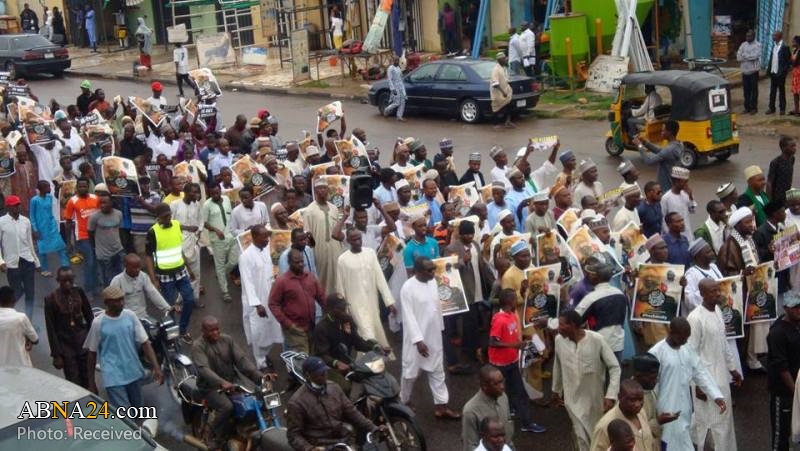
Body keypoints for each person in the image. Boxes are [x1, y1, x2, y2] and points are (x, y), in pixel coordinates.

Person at [648, 317, 726, 450]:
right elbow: (649, 386)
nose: (685, 341)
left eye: (687, 338)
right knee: (669, 442)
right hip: (665, 409)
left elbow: (700, 372)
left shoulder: (687, 349)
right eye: (682, 337)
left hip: (684, 409)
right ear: (671, 332)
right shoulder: (656, 353)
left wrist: (716, 395)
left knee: (684, 440)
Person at [400, 257, 461, 418]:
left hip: (434, 336)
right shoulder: (408, 288)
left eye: (433, 269)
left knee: (437, 371)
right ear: (418, 271)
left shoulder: (433, 282)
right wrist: (418, 341)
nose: (433, 272)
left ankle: (441, 406)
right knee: (410, 373)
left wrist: (441, 328)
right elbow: (408, 316)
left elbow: (436, 309)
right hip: (416, 341)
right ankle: (404, 400)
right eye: (429, 270)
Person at [552, 309, 621, 451]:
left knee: (596, 434)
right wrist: (556, 391)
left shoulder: (596, 339)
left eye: (561, 324)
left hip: (594, 399)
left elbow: (615, 367)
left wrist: (611, 395)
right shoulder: (559, 341)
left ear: (573, 325)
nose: (558, 328)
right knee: (580, 435)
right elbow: (557, 366)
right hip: (571, 399)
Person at [192, 316, 264, 450]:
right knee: (226, 407)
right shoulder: (198, 346)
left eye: (217, 329)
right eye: (211, 330)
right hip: (210, 387)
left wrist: (261, 378)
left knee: (255, 401)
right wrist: (221, 382)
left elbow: (242, 361)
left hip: (232, 382)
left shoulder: (227, 340)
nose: (215, 333)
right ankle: (215, 437)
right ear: (203, 331)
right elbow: (204, 369)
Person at [687, 278, 742, 450]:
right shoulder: (695, 318)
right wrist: (697, 385)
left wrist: (733, 370)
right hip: (705, 381)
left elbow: (724, 343)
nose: (717, 293)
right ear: (702, 294)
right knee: (708, 423)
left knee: (724, 420)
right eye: (712, 291)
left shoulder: (718, 310)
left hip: (722, 378)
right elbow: (691, 353)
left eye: (718, 290)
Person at [85, 286, 163, 408]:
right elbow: (92, 352)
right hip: (113, 377)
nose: (121, 303)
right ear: (107, 303)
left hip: (133, 371)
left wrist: (156, 367)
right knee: (125, 415)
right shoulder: (98, 323)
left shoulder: (130, 316)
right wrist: (91, 381)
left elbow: (145, 343)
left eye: (122, 299)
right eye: (117, 301)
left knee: (138, 408)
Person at [286, 356, 381, 450]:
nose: (324, 374)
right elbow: (293, 435)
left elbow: (352, 412)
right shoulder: (296, 403)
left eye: (325, 371)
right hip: (321, 446)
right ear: (308, 375)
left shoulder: (334, 388)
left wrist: (373, 428)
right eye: (320, 373)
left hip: (343, 441)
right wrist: (309, 448)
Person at [488, 288, 546, 433]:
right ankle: (499, 424)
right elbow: (493, 342)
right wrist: (514, 345)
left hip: (512, 361)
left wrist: (523, 342)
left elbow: (513, 334)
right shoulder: (500, 319)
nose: (517, 301)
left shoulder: (513, 315)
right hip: (499, 365)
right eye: (515, 299)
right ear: (509, 301)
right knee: (500, 393)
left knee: (518, 392)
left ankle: (521, 418)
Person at [336, 228, 396, 349]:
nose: (357, 242)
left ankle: (369, 364)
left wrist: (389, 302)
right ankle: (373, 362)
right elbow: (340, 287)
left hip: (371, 301)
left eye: (359, 238)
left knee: (373, 329)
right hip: (354, 304)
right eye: (354, 239)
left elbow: (380, 279)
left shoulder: (370, 253)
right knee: (366, 332)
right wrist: (343, 312)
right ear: (348, 241)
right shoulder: (342, 260)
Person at [145, 203, 196, 343]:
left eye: (169, 215)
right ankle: (172, 334)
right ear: (157, 218)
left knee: (190, 300)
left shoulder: (176, 225)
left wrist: (189, 268)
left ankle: (183, 330)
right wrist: (153, 278)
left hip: (181, 271)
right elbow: (148, 256)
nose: (168, 219)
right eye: (164, 217)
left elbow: (178, 249)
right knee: (169, 307)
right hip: (165, 275)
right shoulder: (152, 232)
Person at [239, 225, 283, 369]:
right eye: (264, 237)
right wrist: (257, 304)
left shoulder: (265, 250)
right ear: (254, 237)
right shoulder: (246, 257)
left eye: (268, 236)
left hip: (269, 295)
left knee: (271, 328)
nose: (267, 240)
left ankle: (266, 353)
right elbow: (247, 282)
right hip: (256, 301)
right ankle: (260, 363)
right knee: (258, 331)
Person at [269, 248, 327, 353]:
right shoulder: (282, 281)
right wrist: (288, 323)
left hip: (311, 326)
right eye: (297, 262)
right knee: (302, 360)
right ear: (289, 263)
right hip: (295, 329)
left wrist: (330, 312)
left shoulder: (310, 277)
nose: (300, 264)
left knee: (312, 357)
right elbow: (273, 304)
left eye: (302, 261)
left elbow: (321, 296)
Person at [44, 266, 93, 387]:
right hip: (65, 346)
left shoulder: (79, 292)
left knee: (88, 377)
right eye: (64, 281)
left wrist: (94, 341)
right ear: (58, 281)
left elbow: (90, 317)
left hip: (83, 342)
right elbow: (51, 329)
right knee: (74, 380)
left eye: (70, 280)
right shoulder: (50, 299)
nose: (67, 283)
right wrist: (56, 355)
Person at [574, 257, 628, 362]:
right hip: (618, 343)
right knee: (616, 375)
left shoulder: (592, 297)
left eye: (591, 274)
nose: (588, 276)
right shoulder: (619, 293)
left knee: (599, 377)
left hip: (600, 344)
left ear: (595, 277)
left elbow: (574, 318)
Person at [766, 291, 800, 451]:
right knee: (781, 434)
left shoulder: (797, 325)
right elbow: (781, 367)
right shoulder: (777, 332)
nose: (798, 310)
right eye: (795, 308)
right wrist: (796, 393)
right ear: (786, 307)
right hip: (784, 393)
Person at [0, 195, 40, 320]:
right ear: (8, 207)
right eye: (14, 206)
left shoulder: (25, 221)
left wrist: (36, 262)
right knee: (16, 292)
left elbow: (30, 243)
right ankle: (11, 316)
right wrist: (1, 261)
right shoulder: (1, 222)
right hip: (12, 263)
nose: (17, 208)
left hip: (27, 261)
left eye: (18, 205)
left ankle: (28, 319)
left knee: (30, 292)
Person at [589, 379, 656, 451]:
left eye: (640, 399)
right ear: (619, 397)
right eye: (632, 400)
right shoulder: (605, 425)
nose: (637, 404)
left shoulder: (641, 412)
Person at [301, 179, 343, 294]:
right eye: (320, 188)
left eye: (325, 188)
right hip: (318, 249)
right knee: (321, 277)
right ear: (315, 191)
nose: (323, 191)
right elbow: (307, 233)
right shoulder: (309, 210)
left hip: (335, 248)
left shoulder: (334, 208)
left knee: (337, 275)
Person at [462, 366, 516, 451]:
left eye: (502, 381)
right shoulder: (470, 411)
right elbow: (470, 445)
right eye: (496, 384)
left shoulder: (503, 397)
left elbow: (508, 429)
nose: (502, 387)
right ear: (484, 386)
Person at [64, 178, 100, 295]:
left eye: (85, 186)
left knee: (96, 262)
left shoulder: (95, 199)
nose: (82, 189)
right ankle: (88, 289)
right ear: (77, 187)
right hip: (83, 236)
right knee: (89, 263)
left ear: (88, 186)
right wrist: (69, 242)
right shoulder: (72, 201)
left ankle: (95, 286)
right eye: (80, 186)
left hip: (97, 235)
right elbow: (68, 222)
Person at [29, 181, 69, 276]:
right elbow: (32, 215)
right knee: (42, 249)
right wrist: (35, 229)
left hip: (51, 225)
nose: (49, 188)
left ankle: (65, 265)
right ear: (41, 189)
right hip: (41, 227)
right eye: (47, 187)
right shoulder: (34, 200)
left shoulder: (49, 198)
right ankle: (44, 269)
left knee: (61, 246)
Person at [634, 120, 683, 192]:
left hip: (666, 189)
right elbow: (661, 151)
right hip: (672, 186)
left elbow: (649, 161)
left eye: (663, 130)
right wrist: (645, 143)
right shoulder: (678, 145)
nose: (661, 132)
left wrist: (639, 145)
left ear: (670, 132)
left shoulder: (669, 150)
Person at [89, 195, 125, 286]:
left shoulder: (119, 214)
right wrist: (95, 248)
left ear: (111, 203)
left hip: (118, 250)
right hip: (104, 254)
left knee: (120, 276)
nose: (102, 205)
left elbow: (120, 231)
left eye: (105, 202)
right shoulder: (94, 217)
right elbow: (90, 233)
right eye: (100, 203)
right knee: (108, 279)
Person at [0, 285, 38, 367]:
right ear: (14, 301)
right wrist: (28, 340)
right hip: (20, 366)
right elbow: (35, 339)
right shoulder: (21, 318)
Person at [660, 166, 695, 240]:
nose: (686, 184)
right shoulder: (666, 198)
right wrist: (670, 236)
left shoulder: (686, 194)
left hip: (687, 234)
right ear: (676, 181)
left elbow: (692, 211)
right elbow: (663, 219)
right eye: (684, 182)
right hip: (673, 236)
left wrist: (691, 196)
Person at [737, 30, 761, 114]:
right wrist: (747, 56)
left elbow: (755, 56)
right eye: (747, 36)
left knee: (754, 91)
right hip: (744, 71)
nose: (747, 38)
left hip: (753, 72)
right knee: (746, 91)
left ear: (753, 36)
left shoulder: (758, 45)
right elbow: (738, 57)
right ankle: (747, 107)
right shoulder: (743, 44)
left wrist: (744, 55)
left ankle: (754, 108)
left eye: (749, 36)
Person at [767, 31, 791, 115]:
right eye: (773, 35)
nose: (773, 36)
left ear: (779, 37)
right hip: (773, 72)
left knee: (781, 91)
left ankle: (782, 109)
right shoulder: (774, 46)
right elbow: (772, 59)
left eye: (775, 35)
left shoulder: (785, 47)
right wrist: (769, 70)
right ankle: (771, 108)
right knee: (772, 91)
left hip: (780, 73)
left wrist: (784, 72)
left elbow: (788, 62)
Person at [767, 135, 796, 206]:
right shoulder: (775, 162)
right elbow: (769, 183)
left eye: (795, 146)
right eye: (792, 146)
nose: (795, 148)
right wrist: (769, 201)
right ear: (783, 148)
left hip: (787, 195)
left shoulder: (792, 159)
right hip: (777, 197)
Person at [490, 53, 514, 129]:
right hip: (498, 92)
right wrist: (503, 92)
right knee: (496, 108)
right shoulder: (496, 70)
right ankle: (495, 124)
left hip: (505, 91)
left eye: (505, 58)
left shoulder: (503, 68)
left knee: (509, 104)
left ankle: (508, 121)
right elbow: (495, 84)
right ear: (499, 60)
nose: (505, 60)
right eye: (504, 59)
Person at [384, 56, 407, 122]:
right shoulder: (390, 68)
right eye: (395, 61)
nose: (397, 62)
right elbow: (389, 79)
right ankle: (386, 110)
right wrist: (393, 89)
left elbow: (401, 76)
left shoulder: (398, 68)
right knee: (397, 102)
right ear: (393, 61)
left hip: (401, 86)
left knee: (403, 101)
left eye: (398, 61)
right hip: (395, 87)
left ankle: (399, 116)